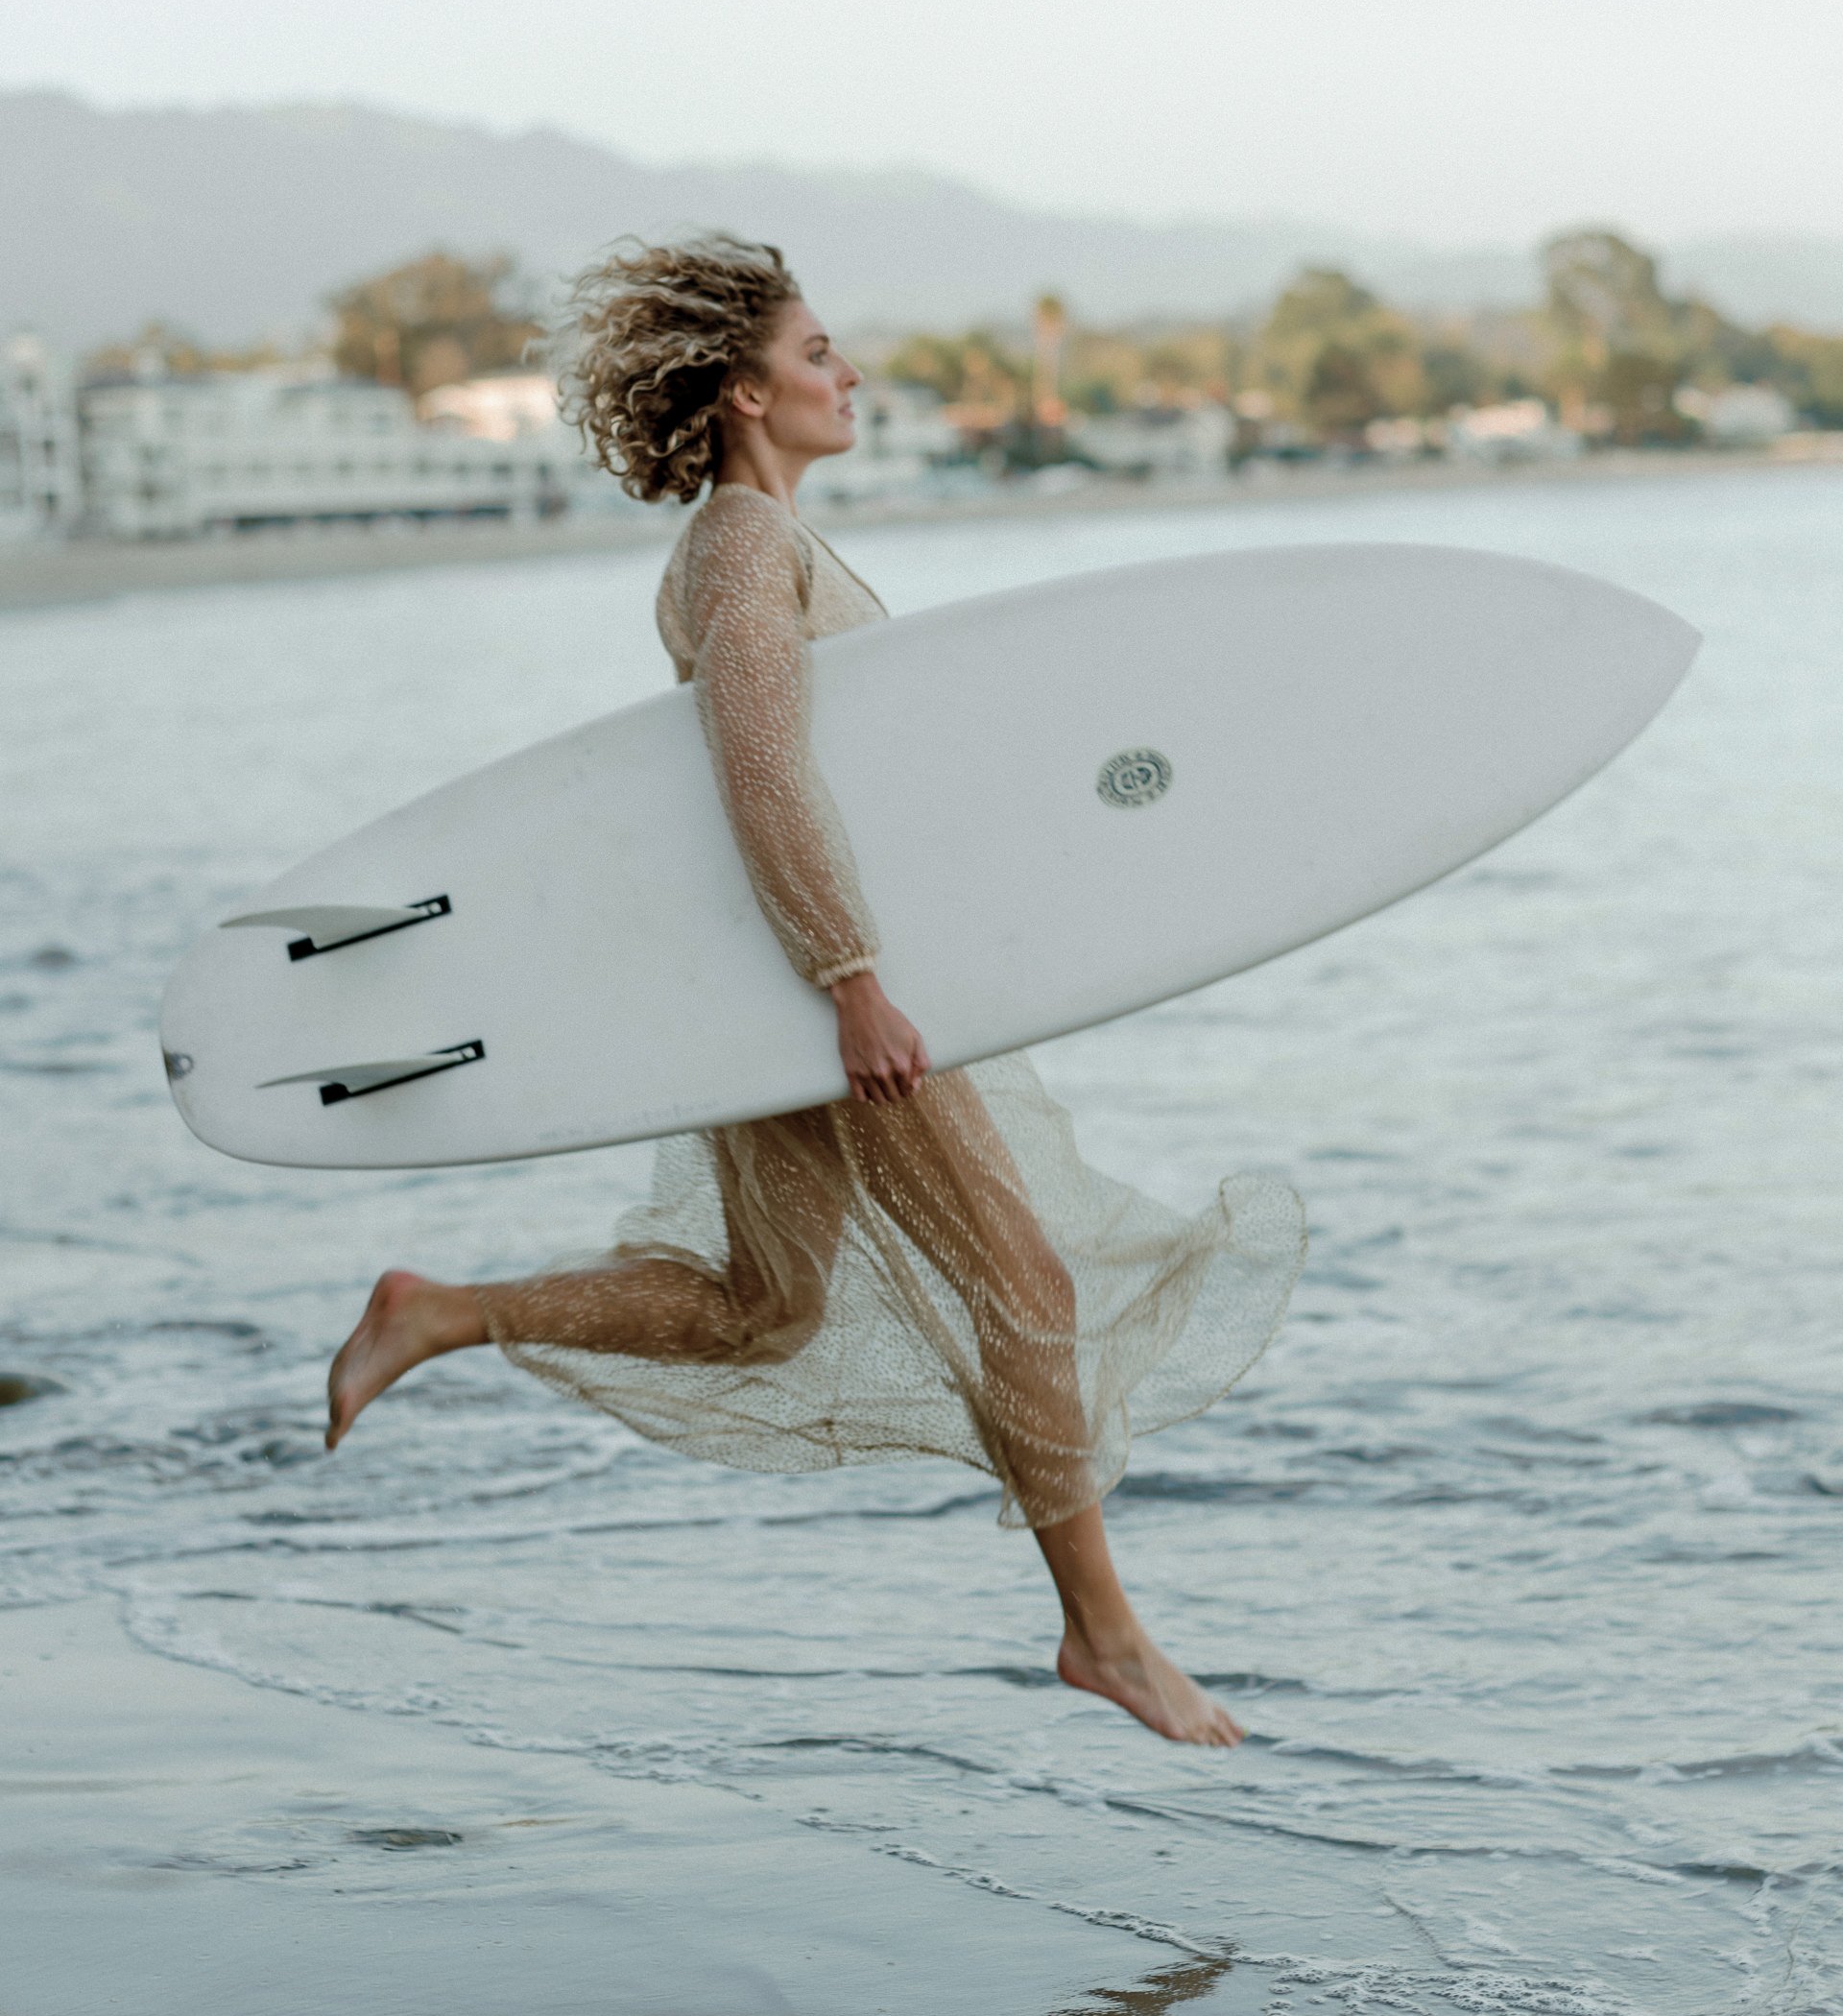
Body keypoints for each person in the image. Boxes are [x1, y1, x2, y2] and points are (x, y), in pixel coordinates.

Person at [325, 236, 1304, 1745]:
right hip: (813, 987)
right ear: (742, 391)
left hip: (771, 988)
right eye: (819, 354)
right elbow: (764, 775)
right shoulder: (739, 546)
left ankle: (443, 1310)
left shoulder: (762, 539)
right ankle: (1104, 1636)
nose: (849, 377)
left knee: (768, 1309)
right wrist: (850, 981)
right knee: (1025, 1285)